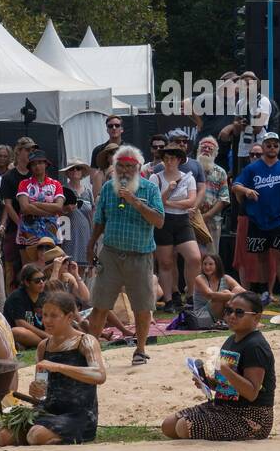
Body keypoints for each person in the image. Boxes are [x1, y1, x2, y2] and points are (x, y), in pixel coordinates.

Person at [162, 291, 275, 441]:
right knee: (168, 426)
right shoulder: (230, 340)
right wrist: (207, 383)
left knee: (184, 426)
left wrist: (226, 370)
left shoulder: (256, 347)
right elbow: (228, 386)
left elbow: (251, 392)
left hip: (250, 417)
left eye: (239, 312)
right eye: (229, 311)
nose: (232, 316)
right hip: (223, 407)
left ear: (256, 317)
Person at [87, 146, 164, 366]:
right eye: (120, 165)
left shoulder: (149, 189)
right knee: (100, 304)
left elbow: (159, 221)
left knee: (142, 305)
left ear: (138, 167)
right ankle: (92, 351)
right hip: (110, 253)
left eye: (129, 166)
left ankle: (140, 349)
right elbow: (100, 221)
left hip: (140, 255)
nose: (124, 171)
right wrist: (91, 245)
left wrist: (135, 202)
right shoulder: (108, 189)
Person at [0, 292, 106, 446]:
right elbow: (41, 392)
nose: (46, 320)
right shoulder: (44, 346)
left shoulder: (85, 341)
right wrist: (37, 390)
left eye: (53, 316)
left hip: (79, 415)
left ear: (69, 317)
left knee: (36, 435)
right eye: (44, 315)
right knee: (3, 437)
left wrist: (59, 367)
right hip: (48, 412)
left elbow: (100, 375)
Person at [233, 131, 280, 306]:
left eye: (275, 145)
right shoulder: (252, 169)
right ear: (263, 147)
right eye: (268, 144)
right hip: (257, 220)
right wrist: (246, 191)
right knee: (260, 257)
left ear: (279, 147)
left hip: (279, 219)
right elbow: (235, 185)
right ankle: (263, 291)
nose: (272, 147)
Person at [149, 143, 202, 311]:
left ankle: (192, 296)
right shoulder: (155, 178)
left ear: (179, 160)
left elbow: (191, 201)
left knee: (194, 258)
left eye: (172, 158)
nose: (169, 161)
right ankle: (169, 300)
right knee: (165, 263)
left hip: (182, 221)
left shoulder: (188, 177)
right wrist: (167, 192)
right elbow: (155, 202)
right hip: (163, 221)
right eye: (166, 158)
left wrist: (168, 202)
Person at [15, 150, 66, 262]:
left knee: (53, 265)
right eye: (33, 164)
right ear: (30, 166)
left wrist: (36, 204)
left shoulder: (55, 184)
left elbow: (58, 207)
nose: (37, 166)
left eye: (40, 162)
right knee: (29, 269)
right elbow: (25, 208)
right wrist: (49, 211)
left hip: (51, 232)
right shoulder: (24, 184)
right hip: (28, 234)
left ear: (46, 164)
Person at [195, 136, 230, 255]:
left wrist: (207, 215)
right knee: (194, 256)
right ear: (198, 150)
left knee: (212, 256)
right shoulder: (190, 169)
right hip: (192, 219)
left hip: (213, 220)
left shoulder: (221, 172)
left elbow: (224, 198)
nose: (206, 150)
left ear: (215, 153)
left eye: (210, 148)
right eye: (203, 147)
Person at [4, 263, 49, 349]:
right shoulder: (17, 297)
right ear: (27, 282)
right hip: (24, 333)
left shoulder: (44, 296)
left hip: (39, 333)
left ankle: (46, 343)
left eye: (43, 279)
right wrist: (46, 336)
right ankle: (47, 344)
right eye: (37, 281)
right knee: (17, 332)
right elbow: (21, 324)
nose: (42, 282)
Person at [192, 252, 245, 323]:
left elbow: (244, 292)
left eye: (210, 264)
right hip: (202, 315)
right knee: (225, 293)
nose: (207, 267)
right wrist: (231, 295)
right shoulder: (200, 278)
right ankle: (232, 319)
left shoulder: (225, 278)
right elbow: (210, 295)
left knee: (238, 289)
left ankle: (243, 319)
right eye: (205, 264)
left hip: (222, 311)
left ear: (217, 265)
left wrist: (232, 298)